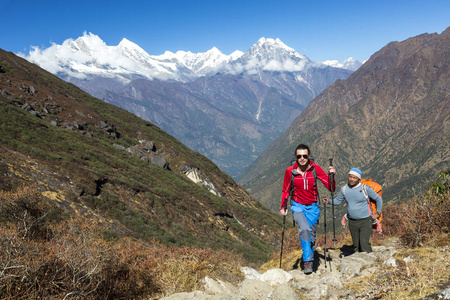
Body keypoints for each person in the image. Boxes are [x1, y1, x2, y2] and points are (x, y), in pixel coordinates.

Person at [280, 144, 336, 274]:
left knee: (311, 237)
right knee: (305, 230)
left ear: (309, 156)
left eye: (305, 156)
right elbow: (285, 189)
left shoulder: (315, 169)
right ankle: (307, 262)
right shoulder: (290, 171)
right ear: (296, 157)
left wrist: (332, 176)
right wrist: (283, 206)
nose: (302, 159)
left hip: (313, 208)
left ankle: (309, 258)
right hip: (297, 206)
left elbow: (331, 187)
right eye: (299, 156)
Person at [323, 168, 382, 253]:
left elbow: (378, 199)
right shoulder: (344, 189)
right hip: (352, 221)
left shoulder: (365, 188)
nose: (352, 179)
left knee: (364, 244)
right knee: (356, 245)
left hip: (365, 220)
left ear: (359, 179)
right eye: (350, 177)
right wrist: (328, 201)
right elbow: (337, 201)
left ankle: (369, 262)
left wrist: (378, 213)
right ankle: (359, 264)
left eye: (354, 178)